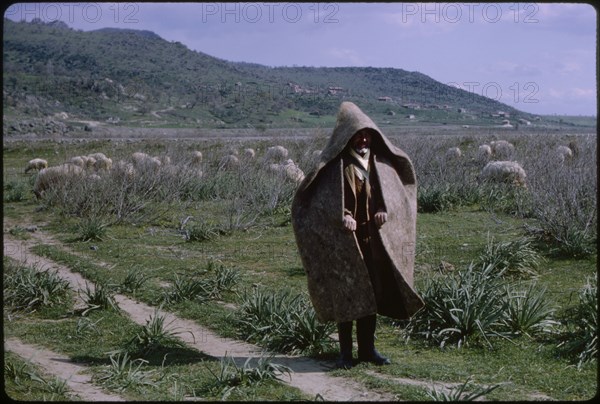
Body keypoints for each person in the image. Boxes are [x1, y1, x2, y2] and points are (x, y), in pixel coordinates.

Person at [291, 102, 424, 369]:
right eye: (358, 135)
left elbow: (397, 197)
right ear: (347, 138)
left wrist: (383, 211)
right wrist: (342, 216)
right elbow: (318, 203)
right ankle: (345, 355)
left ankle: (367, 350)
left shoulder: (380, 164)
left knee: (371, 294)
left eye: (367, 135)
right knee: (347, 295)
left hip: (373, 243)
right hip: (344, 244)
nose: (363, 139)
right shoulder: (335, 167)